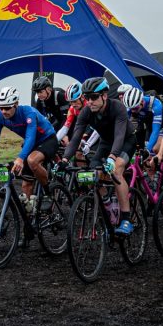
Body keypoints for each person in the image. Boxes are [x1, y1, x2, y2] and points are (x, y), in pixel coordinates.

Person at [62, 77, 136, 235]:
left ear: (104, 95)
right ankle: (108, 204)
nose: (90, 101)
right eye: (87, 97)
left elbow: (119, 136)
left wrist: (112, 157)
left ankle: (126, 219)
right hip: (106, 142)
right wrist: (64, 160)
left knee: (116, 171)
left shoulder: (117, 107)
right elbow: (75, 139)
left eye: (94, 97)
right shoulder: (86, 112)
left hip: (125, 141)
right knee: (90, 175)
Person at [0, 86, 57, 209]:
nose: (3, 111)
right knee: (26, 185)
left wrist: (20, 158)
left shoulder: (28, 112)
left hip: (47, 139)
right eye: (1, 107)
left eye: (7, 107)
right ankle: (30, 213)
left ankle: (47, 192)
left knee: (32, 160)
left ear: (16, 104)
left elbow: (30, 137)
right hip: (32, 144)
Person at [122, 86, 163, 156]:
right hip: (149, 126)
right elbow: (123, 126)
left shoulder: (156, 105)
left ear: (142, 101)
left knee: (155, 149)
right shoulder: (130, 106)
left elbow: (155, 130)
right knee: (142, 150)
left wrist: (148, 150)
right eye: (131, 109)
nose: (133, 111)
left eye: (135, 108)